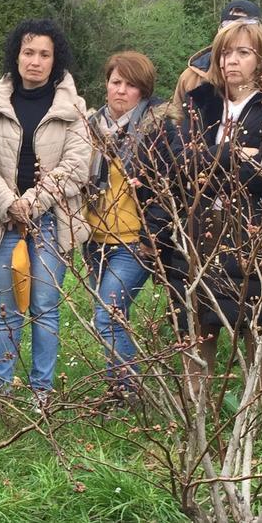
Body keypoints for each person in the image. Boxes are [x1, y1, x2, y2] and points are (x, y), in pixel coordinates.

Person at [150, 21, 262, 398]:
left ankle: (258, 411)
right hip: (200, 226)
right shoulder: (199, 102)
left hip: (256, 230)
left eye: (243, 53)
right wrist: (236, 153)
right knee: (199, 320)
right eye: (226, 52)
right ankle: (197, 406)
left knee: (258, 322)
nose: (231, 61)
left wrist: (213, 157)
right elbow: (183, 162)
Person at [0, 18, 90, 417]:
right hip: (5, 222)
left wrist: (33, 202)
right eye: (28, 52)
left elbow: (77, 165)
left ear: (55, 60)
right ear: (16, 55)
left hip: (51, 223)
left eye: (44, 54)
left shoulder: (72, 107)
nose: (34, 61)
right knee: (6, 308)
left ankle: (41, 391)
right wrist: (10, 204)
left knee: (44, 306)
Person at [82, 51, 175, 387]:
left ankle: (127, 390)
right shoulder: (90, 128)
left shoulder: (159, 130)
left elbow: (169, 190)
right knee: (115, 316)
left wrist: (153, 239)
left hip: (135, 243)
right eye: (115, 82)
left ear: (144, 91)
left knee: (108, 315)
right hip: (94, 241)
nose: (120, 90)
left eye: (130, 85)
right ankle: (120, 384)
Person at [174, 0, 262, 110]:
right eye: (229, 28)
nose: (233, 60)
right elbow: (176, 120)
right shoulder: (191, 78)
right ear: (219, 32)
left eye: (243, 52)